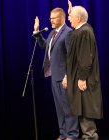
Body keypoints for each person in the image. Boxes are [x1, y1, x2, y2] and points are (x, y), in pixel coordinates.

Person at [34, 8, 79, 140]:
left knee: (68, 107)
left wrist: (68, 76)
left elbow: (72, 57)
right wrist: (37, 32)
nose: (51, 21)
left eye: (54, 18)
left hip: (65, 77)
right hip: (54, 76)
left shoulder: (68, 33)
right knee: (59, 107)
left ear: (62, 18)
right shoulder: (53, 33)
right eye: (50, 18)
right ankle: (64, 133)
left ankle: (72, 134)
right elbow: (43, 45)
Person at [66, 1, 103, 139]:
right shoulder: (80, 31)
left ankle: (90, 137)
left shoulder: (85, 32)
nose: (69, 18)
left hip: (84, 78)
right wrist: (70, 11)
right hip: (79, 77)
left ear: (79, 18)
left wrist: (82, 78)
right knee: (82, 108)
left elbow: (86, 58)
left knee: (86, 108)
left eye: (71, 16)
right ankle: (88, 136)